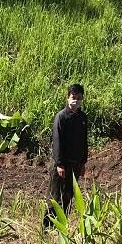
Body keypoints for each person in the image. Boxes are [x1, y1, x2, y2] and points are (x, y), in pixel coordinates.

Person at [44, 84, 88, 227]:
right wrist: (59, 164)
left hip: (75, 164)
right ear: (68, 98)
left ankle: (62, 225)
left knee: (69, 195)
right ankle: (48, 227)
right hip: (62, 165)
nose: (76, 101)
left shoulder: (82, 117)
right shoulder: (61, 117)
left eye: (79, 98)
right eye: (73, 97)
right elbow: (57, 141)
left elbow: (84, 141)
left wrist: (83, 162)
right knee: (55, 195)